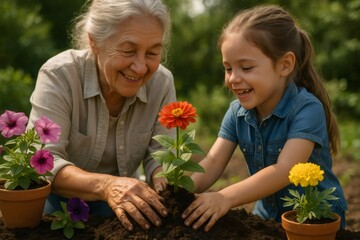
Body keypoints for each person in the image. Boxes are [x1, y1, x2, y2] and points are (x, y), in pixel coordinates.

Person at [182, 4, 347, 232]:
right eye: (228, 68)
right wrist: (179, 193)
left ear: (284, 65)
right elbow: (213, 161)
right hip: (268, 218)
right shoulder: (236, 112)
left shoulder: (307, 109)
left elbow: (285, 170)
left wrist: (225, 197)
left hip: (314, 221)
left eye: (246, 67)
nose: (233, 79)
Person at [27, 0, 176, 231]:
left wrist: (164, 185)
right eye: (128, 51)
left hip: (126, 203)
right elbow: (45, 161)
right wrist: (107, 185)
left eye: (152, 52)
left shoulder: (162, 83)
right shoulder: (59, 75)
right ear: (94, 42)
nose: (140, 67)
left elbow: (161, 154)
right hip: (60, 205)